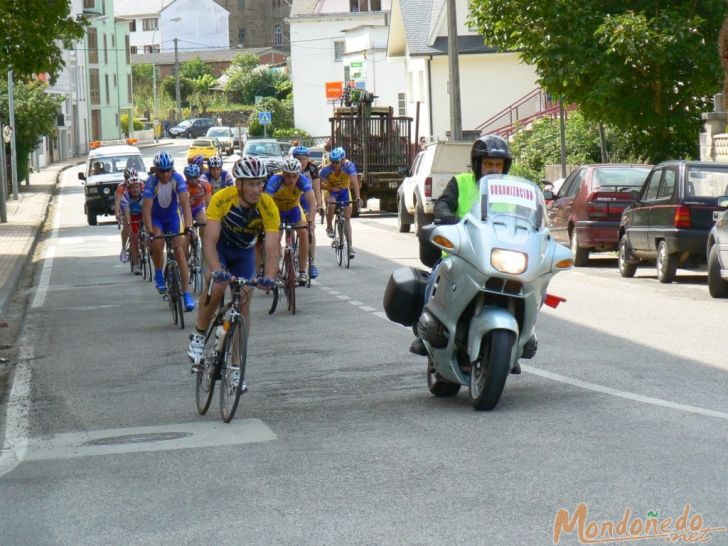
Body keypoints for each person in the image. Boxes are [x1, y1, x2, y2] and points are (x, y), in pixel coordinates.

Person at [409, 135, 532, 373]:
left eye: (498, 165)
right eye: (489, 164)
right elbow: (443, 205)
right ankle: (423, 331)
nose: (493, 169)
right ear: (478, 164)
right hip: (462, 252)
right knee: (436, 277)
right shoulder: (461, 182)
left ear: (505, 167)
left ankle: (523, 338)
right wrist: (448, 217)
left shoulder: (513, 192)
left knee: (529, 285)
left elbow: (529, 215)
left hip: (499, 255)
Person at [187, 157, 280, 364]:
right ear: (239, 184)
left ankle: (237, 366)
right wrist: (215, 268)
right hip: (220, 249)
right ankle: (199, 334)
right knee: (218, 284)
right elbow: (209, 241)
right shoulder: (222, 198)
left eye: (259, 183)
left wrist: (270, 277)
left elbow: (273, 248)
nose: (257, 189)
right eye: (251, 184)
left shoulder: (268, 206)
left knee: (245, 301)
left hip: (244, 254)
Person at [142, 150, 196, 312]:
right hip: (156, 218)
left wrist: (188, 226)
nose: (165, 174)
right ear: (156, 170)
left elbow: (185, 205)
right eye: (162, 171)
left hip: (172, 217)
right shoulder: (151, 183)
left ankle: (186, 293)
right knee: (157, 242)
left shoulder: (177, 179)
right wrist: (150, 232)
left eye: (168, 170)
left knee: (180, 252)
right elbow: (146, 211)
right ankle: (159, 271)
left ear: (172, 169)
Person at [265, 157, 317, 284]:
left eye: (294, 176)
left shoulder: (302, 180)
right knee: (275, 238)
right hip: (276, 209)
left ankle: (303, 271)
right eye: (288, 176)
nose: (291, 180)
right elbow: (266, 203)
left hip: (293, 208)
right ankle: (276, 272)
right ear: (283, 174)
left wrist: (311, 221)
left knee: (304, 232)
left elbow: (312, 202)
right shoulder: (275, 180)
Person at [319, 146, 362, 259]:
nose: (334, 164)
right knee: (332, 203)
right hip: (331, 189)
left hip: (344, 190)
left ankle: (350, 247)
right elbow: (317, 184)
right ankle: (329, 227)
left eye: (337, 162)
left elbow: (354, 183)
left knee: (347, 218)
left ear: (343, 160)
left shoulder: (349, 166)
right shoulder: (327, 169)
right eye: (332, 161)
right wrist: (330, 189)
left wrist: (358, 197)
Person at [292, 145, 323, 279]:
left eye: (304, 159)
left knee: (310, 230)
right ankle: (291, 249)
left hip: (308, 199)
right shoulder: (291, 168)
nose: (301, 161)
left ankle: (312, 263)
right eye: (299, 159)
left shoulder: (312, 168)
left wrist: (320, 204)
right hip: (294, 199)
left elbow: (317, 189)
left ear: (308, 159)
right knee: (292, 226)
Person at [120, 172, 144, 275]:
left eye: (137, 187)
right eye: (133, 188)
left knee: (147, 234)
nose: (136, 189)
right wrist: (129, 224)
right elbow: (127, 213)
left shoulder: (144, 194)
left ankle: (146, 249)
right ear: (129, 189)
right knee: (134, 238)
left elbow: (148, 211)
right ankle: (136, 264)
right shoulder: (125, 197)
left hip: (142, 214)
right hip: (131, 215)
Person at [184, 163, 212, 245]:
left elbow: (209, 203)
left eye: (195, 177)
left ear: (199, 176)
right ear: (186, 177)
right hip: (186, 210)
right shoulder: (182, 186)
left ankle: (203, 244)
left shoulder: (205, 185)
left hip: (198, 208)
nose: (193, 180)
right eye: (190, 178)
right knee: (188, 236)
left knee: (204, 223)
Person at [115, 166, 138, 263]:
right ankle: (124, 247)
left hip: (136, 208)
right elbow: (117, 201)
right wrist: (117, 213)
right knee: (127, 226)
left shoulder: (139, 184)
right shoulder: (121, 187)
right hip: (125, 208)